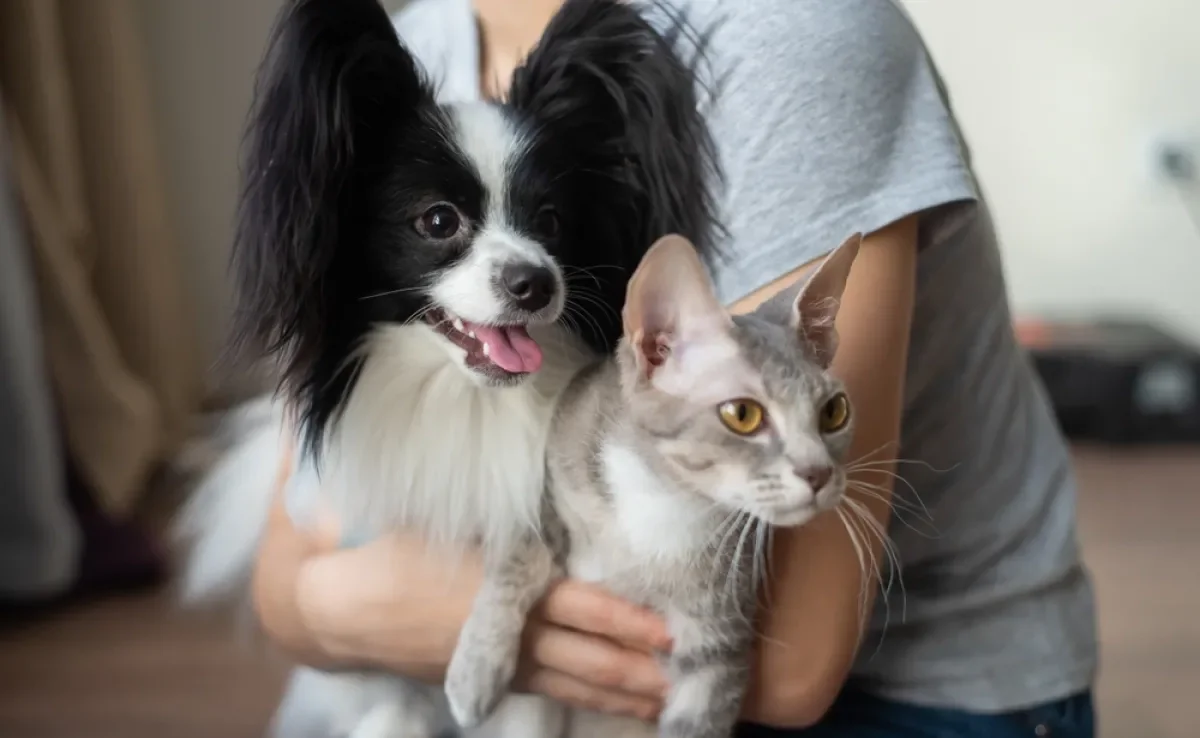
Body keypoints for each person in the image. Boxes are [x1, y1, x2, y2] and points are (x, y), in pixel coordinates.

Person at [250, 0, 1098, 735]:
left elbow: (787, 671)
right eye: (439, 221)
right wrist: (334, 609)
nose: (525, 264)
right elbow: (289, 575)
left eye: (544, 220)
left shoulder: (793, 37)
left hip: (900, 688)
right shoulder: (415, 41)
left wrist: (385, 608)